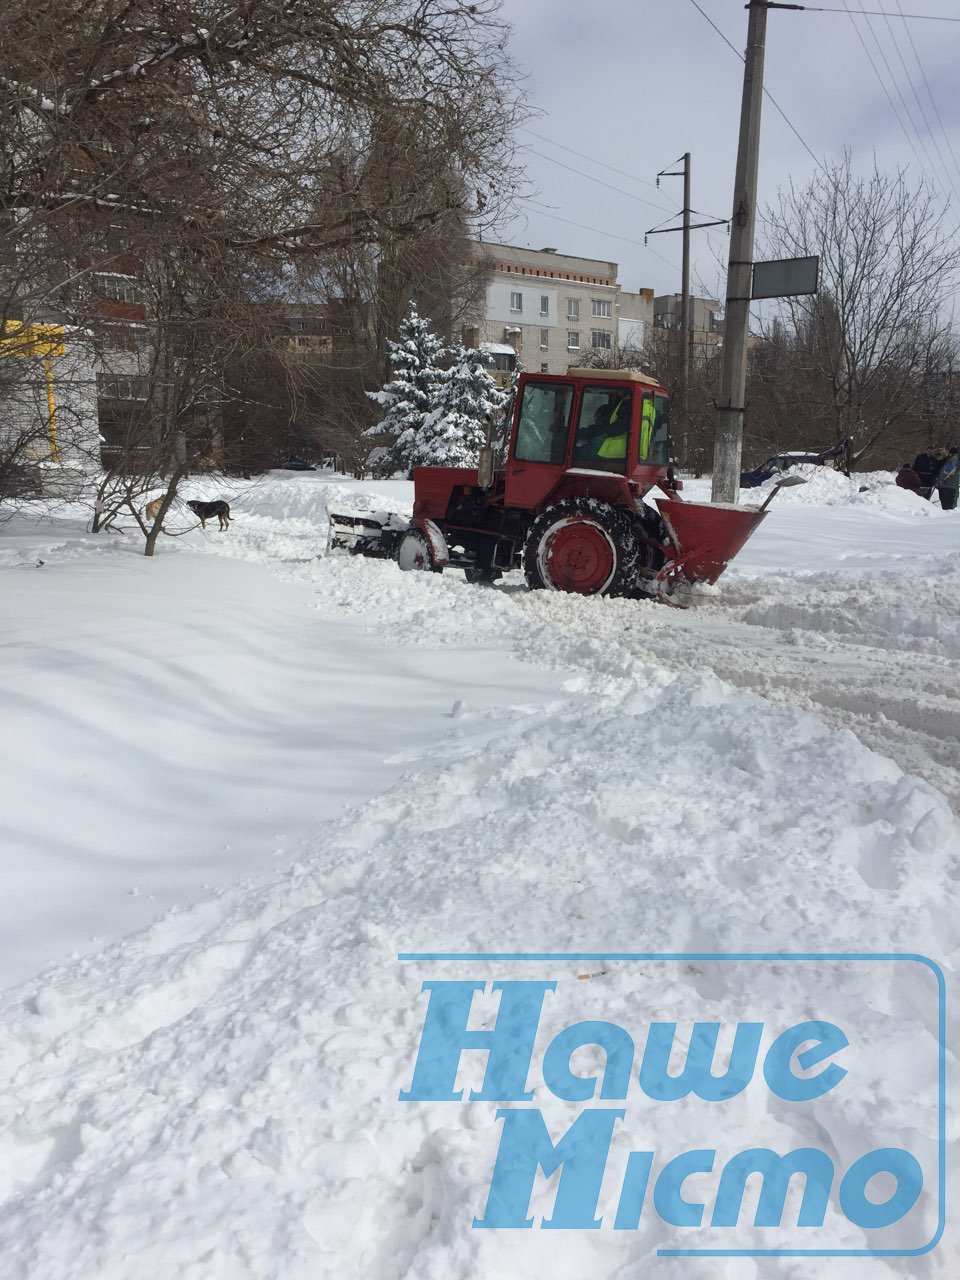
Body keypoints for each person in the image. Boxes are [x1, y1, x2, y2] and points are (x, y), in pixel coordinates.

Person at [935, 446, 958, 510]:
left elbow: (947, 471)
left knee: (947, 505)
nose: (944, 455)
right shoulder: (947, 460)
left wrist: (941, 480)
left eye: (944, 453)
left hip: (948, 485)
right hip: (944, 485)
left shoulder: (953, 459)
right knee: (944, 503)